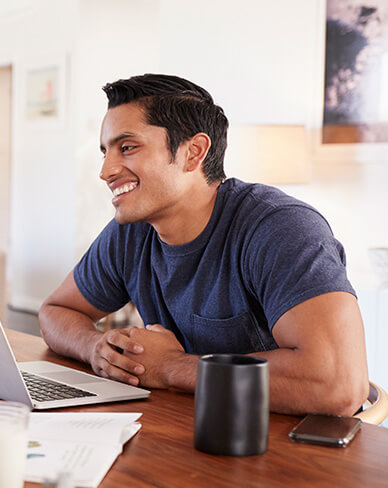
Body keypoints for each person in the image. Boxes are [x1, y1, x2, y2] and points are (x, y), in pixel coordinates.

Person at [38, 74, 368, 416]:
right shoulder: (132, 232)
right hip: (189, 428)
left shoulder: (281, 228)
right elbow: (55, 312)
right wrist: (95, 347)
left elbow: (338, 384)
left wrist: (171, 367)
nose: (106, 171)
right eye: (105, 152)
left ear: (193, 152)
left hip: (284, 443)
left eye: (128, 147)